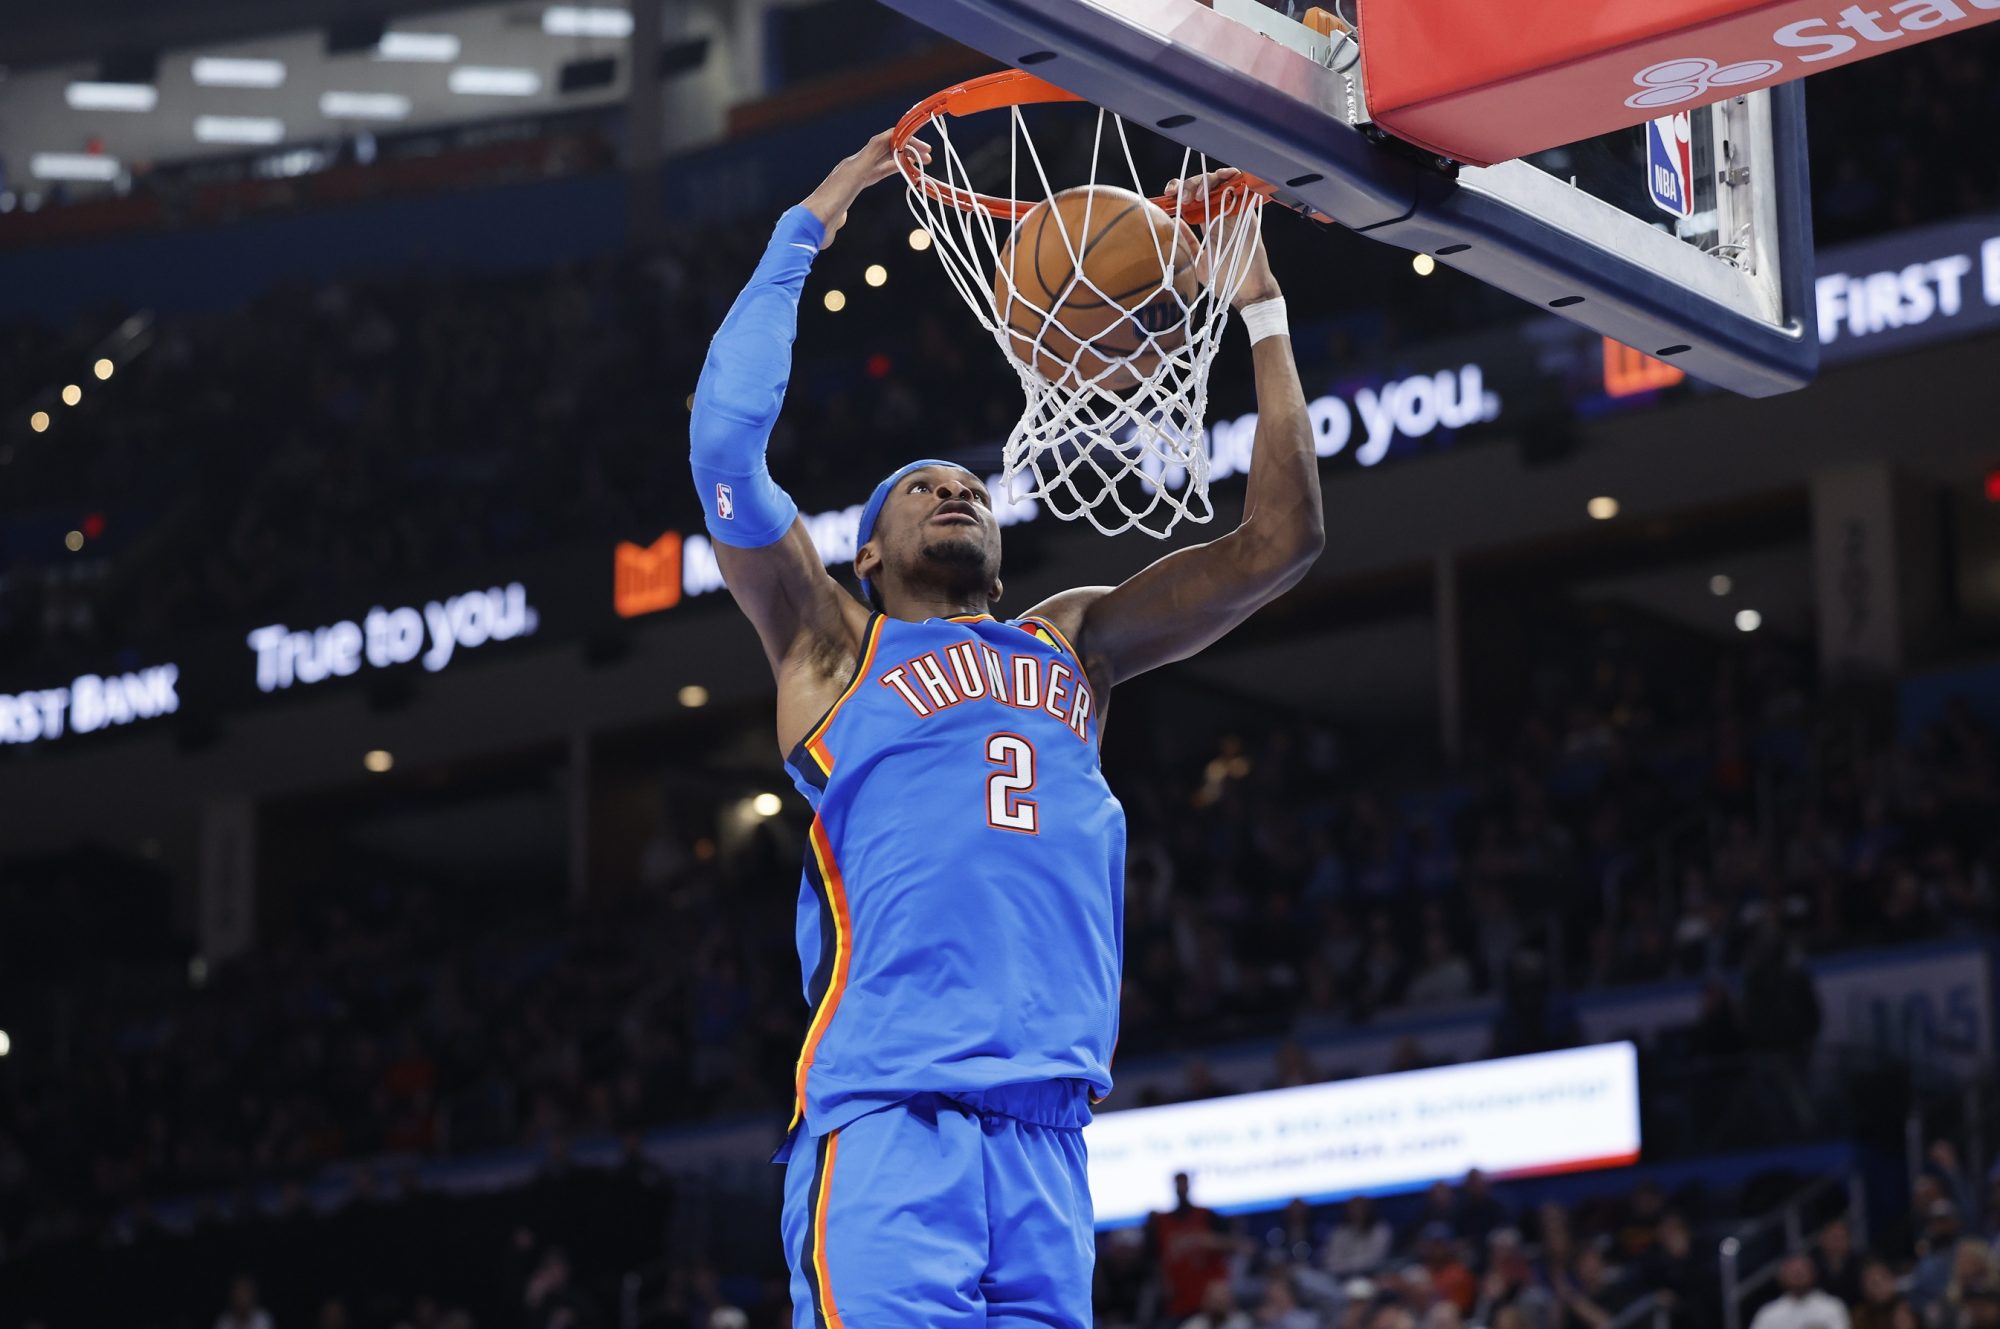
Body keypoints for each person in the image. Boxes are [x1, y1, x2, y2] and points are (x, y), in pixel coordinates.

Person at [690, 126, 1323, 1329]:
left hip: (1046, 1138)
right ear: (866, 551)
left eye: (967, 484)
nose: (953, 489)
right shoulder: (831, 645)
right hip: (889, 1119)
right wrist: (804, 227)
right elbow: (722, 446)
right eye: (918, 487)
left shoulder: (1072, 644)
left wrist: (1264, 316)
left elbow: (1278, 545)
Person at [1150, 1173, 1240, 1323]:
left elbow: (1235, 1244)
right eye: (1179, 1184)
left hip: (1210, 1298)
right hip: (1179, 1300)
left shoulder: (1207, 1215)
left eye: (1184, 1184)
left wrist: (1207, 1241)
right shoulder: (1161, 1223)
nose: (1182, 1188)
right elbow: (1156, 1259)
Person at [1747, 1254, 1851, 1329]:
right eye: (1793, 1272)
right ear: (1782, 1277)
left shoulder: (1832, 1307)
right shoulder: (1769, 1313)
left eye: (1802, 1272)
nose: (1798, 1276)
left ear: (1813, 1274)